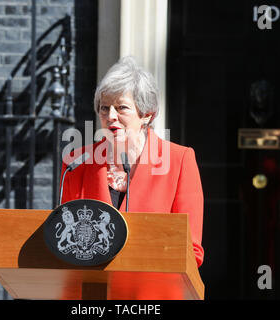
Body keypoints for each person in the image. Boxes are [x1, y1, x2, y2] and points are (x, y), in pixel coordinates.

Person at [60, 56, 204, 268]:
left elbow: (191, 251)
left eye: (121, 108)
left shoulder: (179, 161)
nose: (110, 116)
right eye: (104, 108)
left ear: (146, 114)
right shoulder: (76, 163)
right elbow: (64, 241)